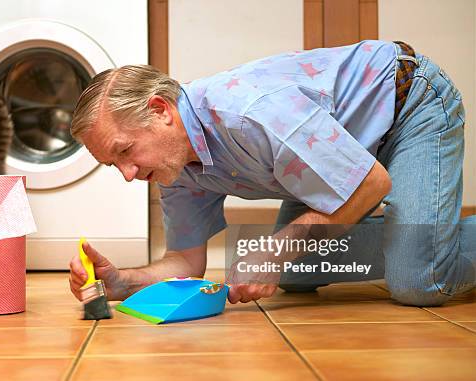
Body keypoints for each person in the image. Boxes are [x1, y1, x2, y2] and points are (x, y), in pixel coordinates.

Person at [67, 40, 475, 307]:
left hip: (407, 103)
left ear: (160, 111)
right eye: (112, 164)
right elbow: (185, 262)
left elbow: (371, 183)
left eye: (125, 151)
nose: (127, 173)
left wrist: (274, 250)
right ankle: (417, 236)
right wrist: (123, 282)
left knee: (419, 282)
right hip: (332, 151)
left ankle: (421, 249)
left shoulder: (248, 114)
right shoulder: (174, 166)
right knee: (293, 272)